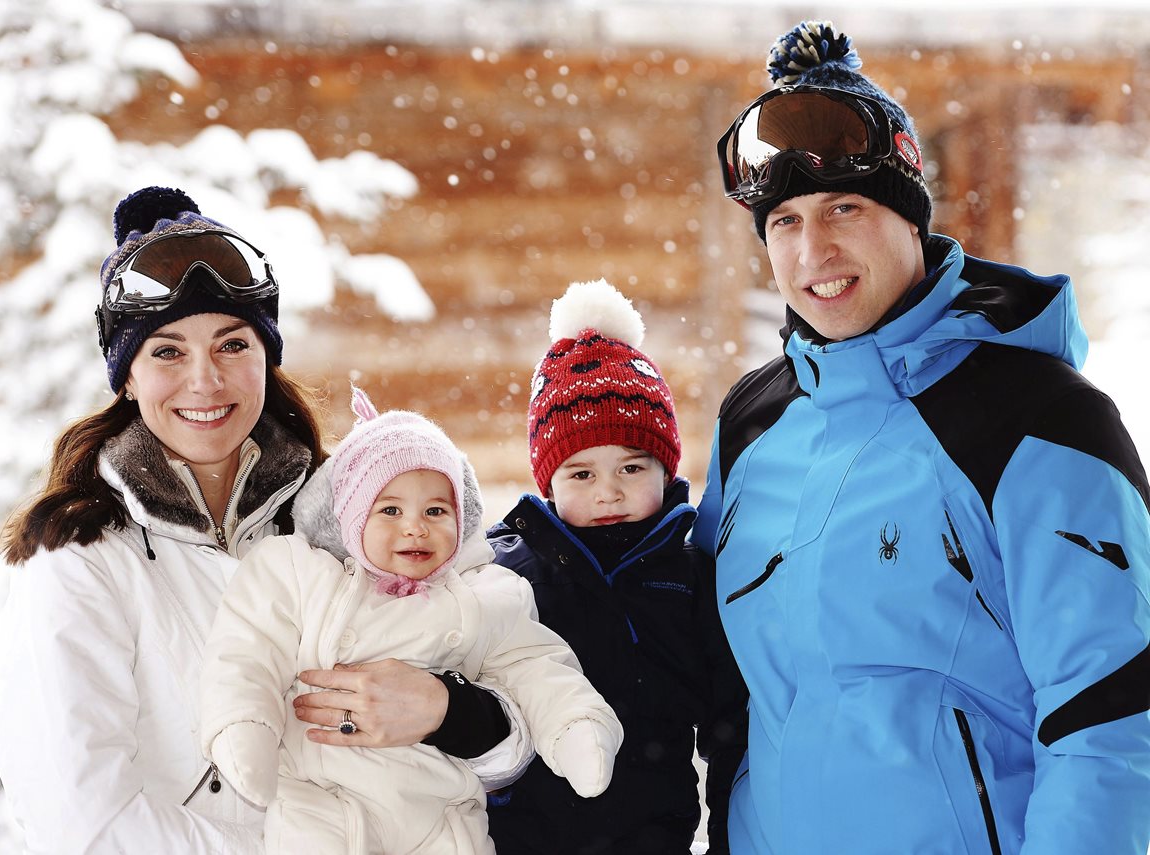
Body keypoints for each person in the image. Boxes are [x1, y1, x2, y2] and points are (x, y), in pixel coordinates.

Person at [694, 19, 1150, 854]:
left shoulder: (1036, 419)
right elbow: (724, 697)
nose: (814, 248)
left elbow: (1112, 716)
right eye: (783, 222)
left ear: (911, 220)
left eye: (845, 207)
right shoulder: (752, 425)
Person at [0, 186, 532, 853]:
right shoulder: (80, 556)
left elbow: (514, 731)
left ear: (265, 355)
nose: (204, 380)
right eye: (167, 351)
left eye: (231, 344)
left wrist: (452, 713)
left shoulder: (351, 513)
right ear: (126, 376)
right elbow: (80, 816)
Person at [200, 388, 623, 854]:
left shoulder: (484, 594)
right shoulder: (302, 574)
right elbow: (246, 652)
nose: (415, 527)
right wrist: (244, 726)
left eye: (436, 511)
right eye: (390, 510)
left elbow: (538, 668)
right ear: (352, 518)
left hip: (442, 816)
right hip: (323, 805)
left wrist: (575, 725)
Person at [486, 279, 748, 855]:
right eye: (581, 474)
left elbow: (731, 726)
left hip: (652, 835)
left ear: (665, 467)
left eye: (631, 468)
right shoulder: (506, 572)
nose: (608, 493)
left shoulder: (691, 573)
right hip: (522, 837)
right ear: (548, 483)